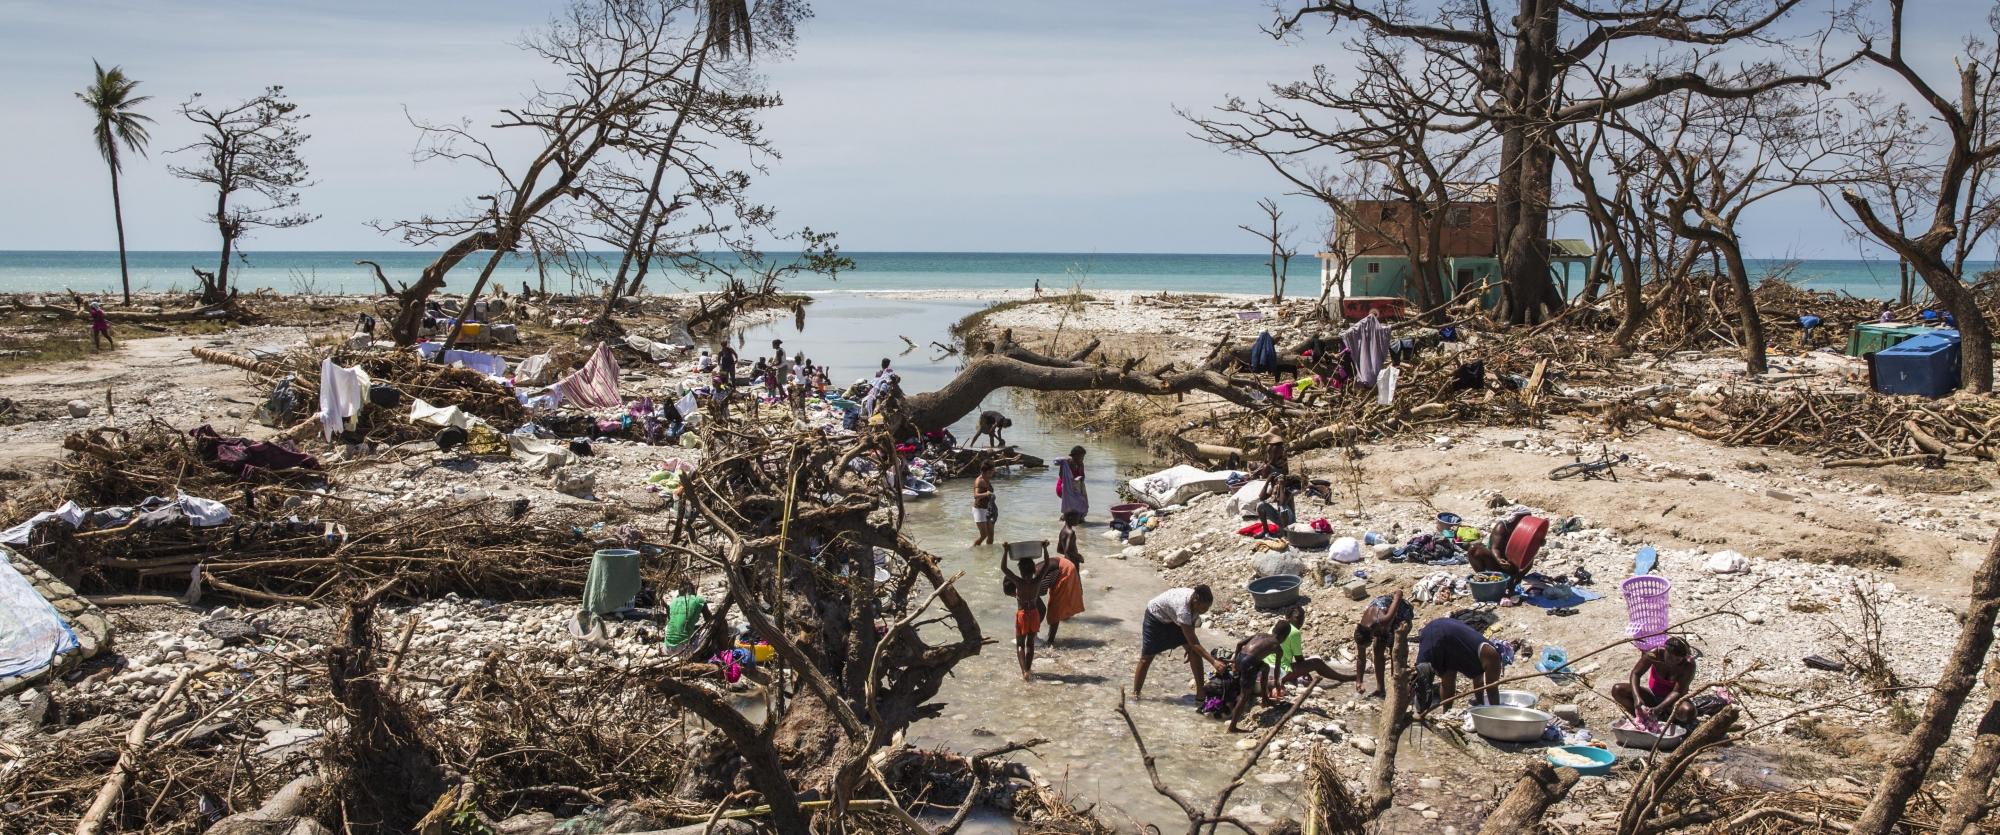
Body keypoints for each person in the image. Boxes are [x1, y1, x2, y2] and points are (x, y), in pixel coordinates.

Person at [1133, 585, 1226, 698]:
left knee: (1194, 651)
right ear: (1195, 600)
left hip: (1173, 618)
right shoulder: (1183, 609)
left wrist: (1190, 645)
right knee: (1146, 658)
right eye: (1203, 608)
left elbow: (1191, 634)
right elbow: (1194, 642)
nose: (1204, 611)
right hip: (1155, 618)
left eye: (1207, 608)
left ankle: (1200, 693)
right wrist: (1213, 662)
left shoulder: (1195, 603)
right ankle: (1135, 693)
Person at [1413, 616, 1503, 710]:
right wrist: (1496, 713)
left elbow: (1479, 682)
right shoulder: (1492, 656)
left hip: (1450, 640)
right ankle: (1417, 713)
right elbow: (1491, 689)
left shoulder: (1481, 655)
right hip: (1436, 634)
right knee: (1423, 679)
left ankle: (1446, 713)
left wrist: (1480, 703)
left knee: (1448, 680)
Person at [1612, 636, 1698, 727]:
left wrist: (1658, 709)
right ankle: (1643, 718)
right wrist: (1637, 698)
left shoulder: (1688, 665)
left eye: (1677, 660)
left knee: (1688, 712)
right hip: (1653, 697)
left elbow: (1677, 691)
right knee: (1617, 690)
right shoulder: (1654, 654)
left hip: (1673, 703)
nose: (1672, 662)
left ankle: (1666, 718)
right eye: (1670, 657)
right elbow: (1636, 674)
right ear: (1665, 650)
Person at [1271, 606, 1352, 695]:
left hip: (1269, 670)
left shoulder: (1274, 627)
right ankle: (1343, 678)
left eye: (1302, 618)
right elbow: (1299, 658)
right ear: (1288, 617)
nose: (1300, 621)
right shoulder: (1294, 632)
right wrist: (1306, 672)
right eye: (1297, 618)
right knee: (1316, 662)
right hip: (1280, 672)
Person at [999, 552, 1051, 681]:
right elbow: (1047, 564)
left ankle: (1024, 672)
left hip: (1022, 615)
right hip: (1034, 613)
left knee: (1020, 644)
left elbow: (1004, 568)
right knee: (1030, 644)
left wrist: (1005, 551)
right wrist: (1044, 548)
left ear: (1020, 571)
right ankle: (1028, 668)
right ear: (1034, 569)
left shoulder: (1018, 582)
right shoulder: (1037, 580)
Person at [1352, 592, 1412, 698]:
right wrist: (1359, 681)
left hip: (1401, 613)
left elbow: (1398, 596)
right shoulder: (1362, 630)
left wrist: (1396, 594)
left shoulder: (1383, 620)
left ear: (1371, 635)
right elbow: (1361, 658)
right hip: (1381, 624)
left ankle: (1396, 689)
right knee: (1378, 649)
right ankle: (1381, 689)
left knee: (1396, 653)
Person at [1227, 628, 1285, 733]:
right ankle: (1232, 727)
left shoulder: (1260, 634)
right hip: (1249, 663)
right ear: (1284, 637)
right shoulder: (1277, 646)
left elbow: (1239, 644)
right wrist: (1277, 683)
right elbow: (1277, 668)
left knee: (1265, 667)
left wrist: (1235, 662)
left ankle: (1264, 698)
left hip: (1240, 657)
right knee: (1244, 696)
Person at [1041, 526, 1085, 645]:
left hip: (1066, 570)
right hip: (1063, 566)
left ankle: (1050, 641)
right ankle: (1064, 618)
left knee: (1054, 608)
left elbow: (1042, 607)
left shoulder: (1036, 581)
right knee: (1058, 605)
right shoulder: (1032, 578)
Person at [663, 580, 708, 649]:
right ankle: (723, 651)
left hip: (667, 648)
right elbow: (710, 620)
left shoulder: (672, 602)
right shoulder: (698, 600)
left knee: (670, 626)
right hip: (684, 649)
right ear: (693, 591)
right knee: (718, 623)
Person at [1056, 446, 1089, 521]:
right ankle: (1065, 519)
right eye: (1081, 457)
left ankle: (1075, 520)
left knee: (1081, 503)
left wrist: (1079, 479)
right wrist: (1072, 481)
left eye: (1083, 457)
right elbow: (1061, 477)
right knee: (1071, 507)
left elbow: (1083, 476)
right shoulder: (1066, 464)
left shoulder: (1081, 464)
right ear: (1075, 456)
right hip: (1063, 487)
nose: (1082, 459)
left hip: (1075, 488)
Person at [971, 461, 998, 546]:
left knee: (991, 535)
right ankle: (973, 548)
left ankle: (989, 554)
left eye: (992, 471)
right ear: (985, 471)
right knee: (984, 535)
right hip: (979, 510)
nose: (992, 473)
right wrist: (986, 494)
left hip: (987, 510)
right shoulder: (979, 481)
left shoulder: (987, 479)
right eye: (991, 471)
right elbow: (976, 495)